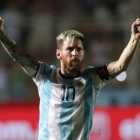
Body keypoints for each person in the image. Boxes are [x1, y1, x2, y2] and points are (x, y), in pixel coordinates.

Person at [0, 16, 140, 140]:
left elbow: (120, 66)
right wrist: (1, 33)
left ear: (84, 54)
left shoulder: (92, 77)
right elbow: (19, 54)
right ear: (58, 53)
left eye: (79, 49)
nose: (75, 53)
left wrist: (134, 38)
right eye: (70, 49)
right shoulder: (44, 75)